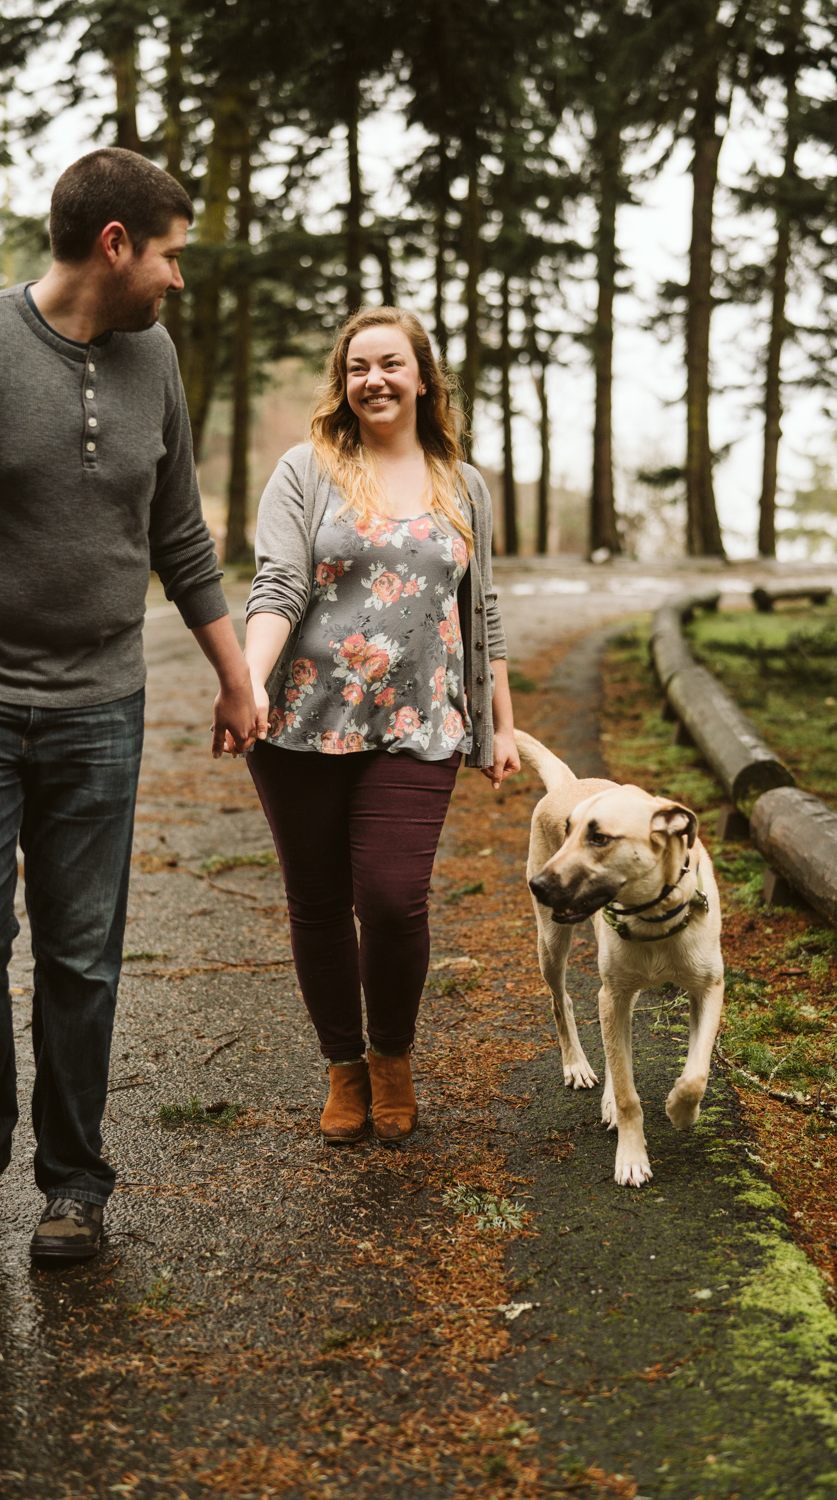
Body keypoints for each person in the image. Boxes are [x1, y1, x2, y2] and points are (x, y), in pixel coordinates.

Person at [0, 148, 257, 1260]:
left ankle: (75, 1187)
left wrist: (234, 672)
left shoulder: (153, 356)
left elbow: (180, 534)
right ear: (114, 244)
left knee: (81, 953)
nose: (176, 279)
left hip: (97, 704)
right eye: (168, 255)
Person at [244, 306, 520, 1144]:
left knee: (394, 901)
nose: (375, 379)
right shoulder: (308, 468)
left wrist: (500, 725)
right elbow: (277, 587)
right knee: (319, 904)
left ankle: (392, 1053)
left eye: (391, 364)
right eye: (359, 366)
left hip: (420, 722)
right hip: (299, 721)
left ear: (423, 377)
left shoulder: (460, 482)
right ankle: (343, 1067)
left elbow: (484, 613)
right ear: (343, 381)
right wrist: (248, 685)